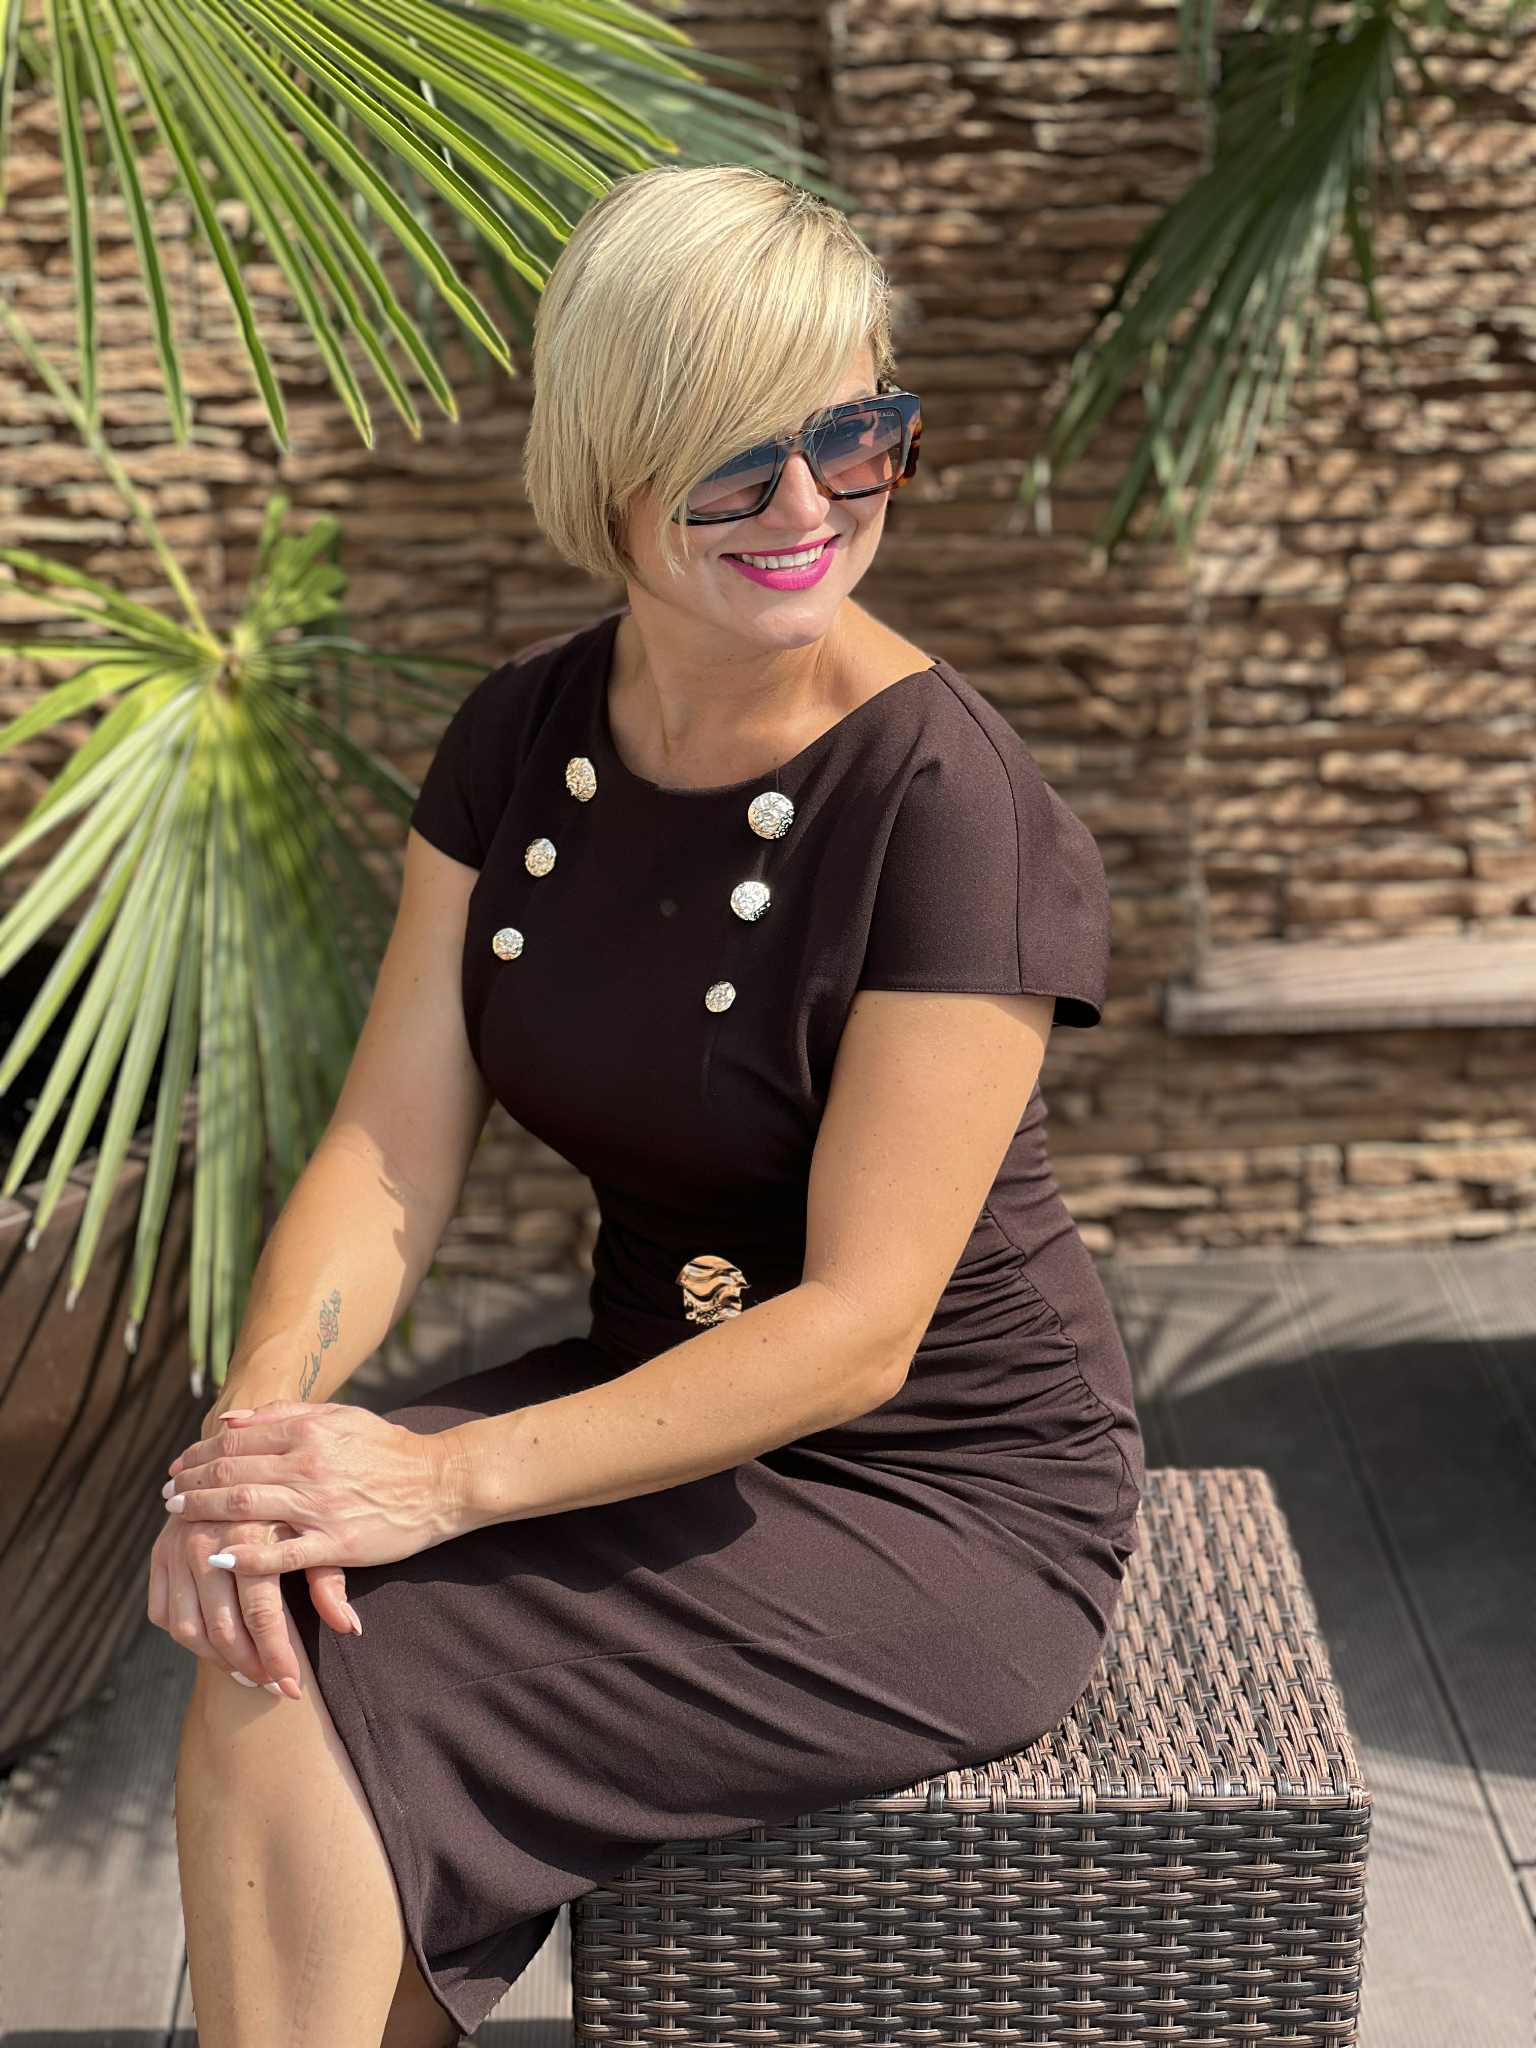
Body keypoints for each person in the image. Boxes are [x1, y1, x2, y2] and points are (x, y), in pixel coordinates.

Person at [155, 163, 1145, 2048]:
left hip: (939, 1493)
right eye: (736, 466)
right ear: (608, 464)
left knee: (319, 1662)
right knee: (280, 1604)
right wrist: (254, 1445)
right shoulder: (520, 738)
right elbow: (386, 1150)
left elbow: (859, 1331)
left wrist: (433, 1480)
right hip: (650, 1406)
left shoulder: (950, 810)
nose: (810, 512)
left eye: (854, 439)